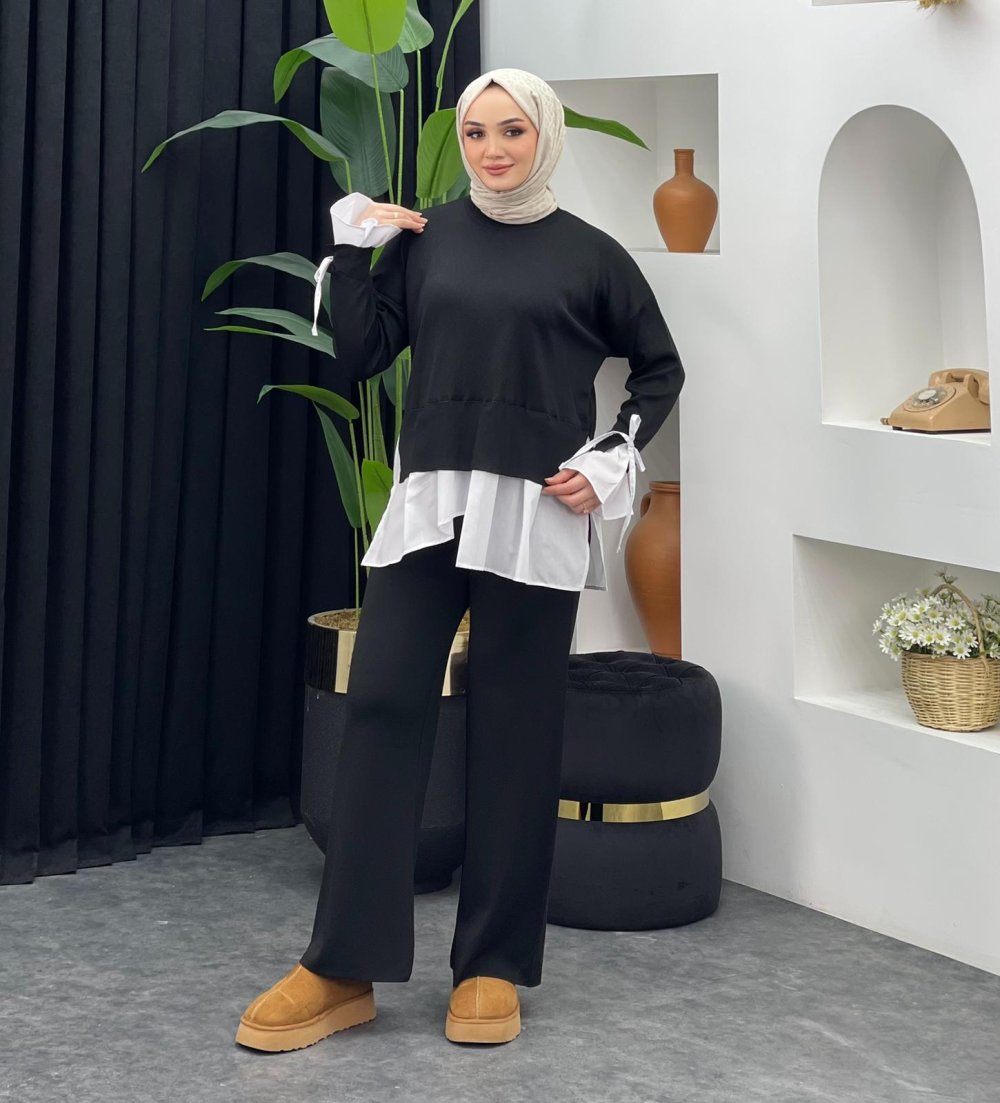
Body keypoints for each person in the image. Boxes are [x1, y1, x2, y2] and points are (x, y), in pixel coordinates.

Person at [235, 67, 685, 1054]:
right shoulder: (427, 239)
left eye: (510, 130)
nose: (490, 149)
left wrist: (611, 455)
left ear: (544, 135)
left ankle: (491, 963)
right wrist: (353, 252)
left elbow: (660, 368)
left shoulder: (594, 255)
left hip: (537, 513)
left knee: (518, 729)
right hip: (433, 501)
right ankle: (342, 966)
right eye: (476, 132)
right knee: (383, 705)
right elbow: (360, 354)